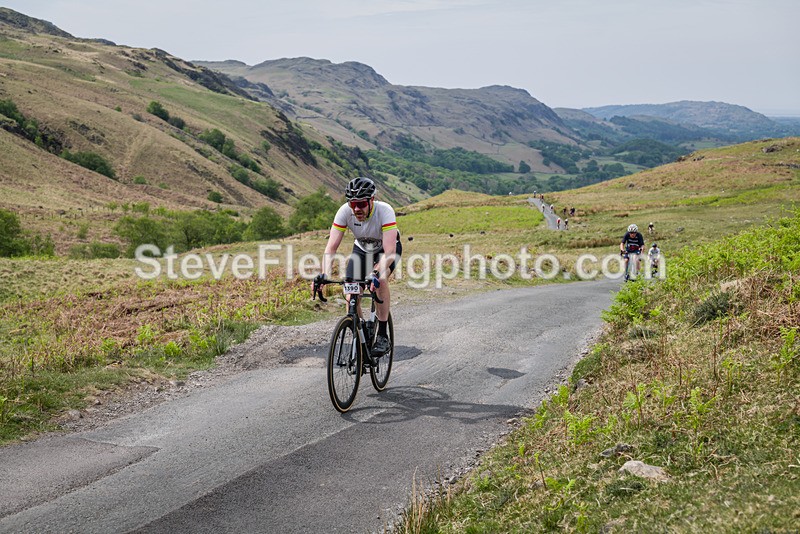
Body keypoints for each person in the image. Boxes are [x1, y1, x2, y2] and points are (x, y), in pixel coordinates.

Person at [316, 177, 401, 356]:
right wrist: (323, 274)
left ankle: (383, 334)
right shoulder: (344, 212)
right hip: (362, 250)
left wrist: (376, 272)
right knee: (351, 293)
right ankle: (360, 333)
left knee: (381, 280)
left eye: (361, 204)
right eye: (352, 203)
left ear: (372, 200)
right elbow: (331, 247)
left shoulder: (385, 211)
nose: (356, 209)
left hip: (385, 251)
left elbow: (390, 251)